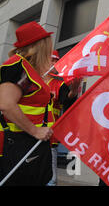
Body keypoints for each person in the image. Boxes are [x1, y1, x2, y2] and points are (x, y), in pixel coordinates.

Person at [0, 21, 55, 186]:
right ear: (40, 45)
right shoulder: (17, 65)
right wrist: (35, 131)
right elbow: (6, 104)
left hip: (27, 144)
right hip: (17, 144)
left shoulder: (28, 68)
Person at [45, 50, 81, 186]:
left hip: (49, 135)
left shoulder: (59, 85)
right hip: (28, 132)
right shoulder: (32, 79)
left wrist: (73, 91)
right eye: (52, 60)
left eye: (56, 61)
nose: (54, 63)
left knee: (51, 178)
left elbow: (67, 100)